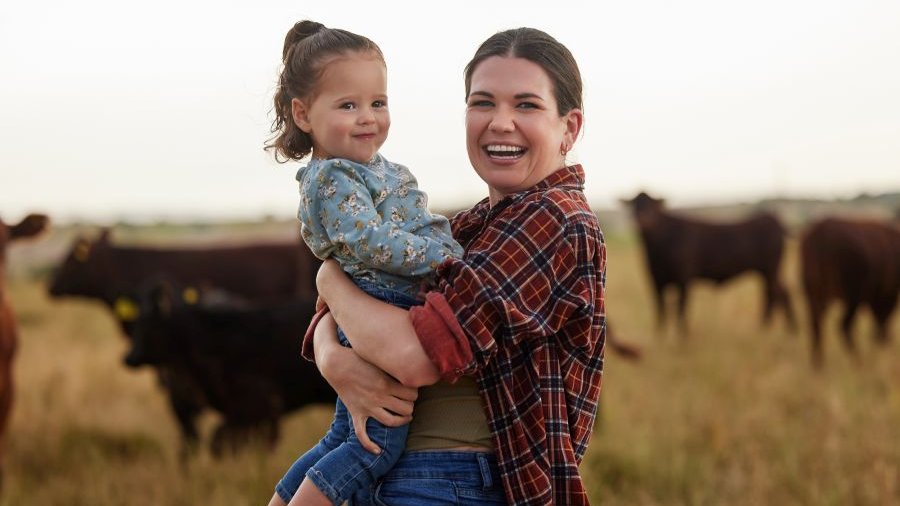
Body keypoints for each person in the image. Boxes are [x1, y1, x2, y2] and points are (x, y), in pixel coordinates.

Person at [295, 27, 607, 505]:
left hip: (454, 482)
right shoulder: (465, 228)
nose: (500, 122)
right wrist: (334, 358)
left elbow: (413, 357)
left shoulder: (555, 219)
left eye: (526, 105)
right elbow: (344, 309)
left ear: (570, 127)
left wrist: (328, 277)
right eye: (483, 103)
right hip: (393, 471)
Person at [263, 20, 464, 506]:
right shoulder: (333, 177)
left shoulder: (369, 168)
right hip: (380, 299)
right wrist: (443, 257)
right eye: (348, 105)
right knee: (374, 447)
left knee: (342, 436)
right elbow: (371, 243)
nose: (367, 117)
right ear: (303, 114)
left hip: (376, 298)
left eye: (378, 103)